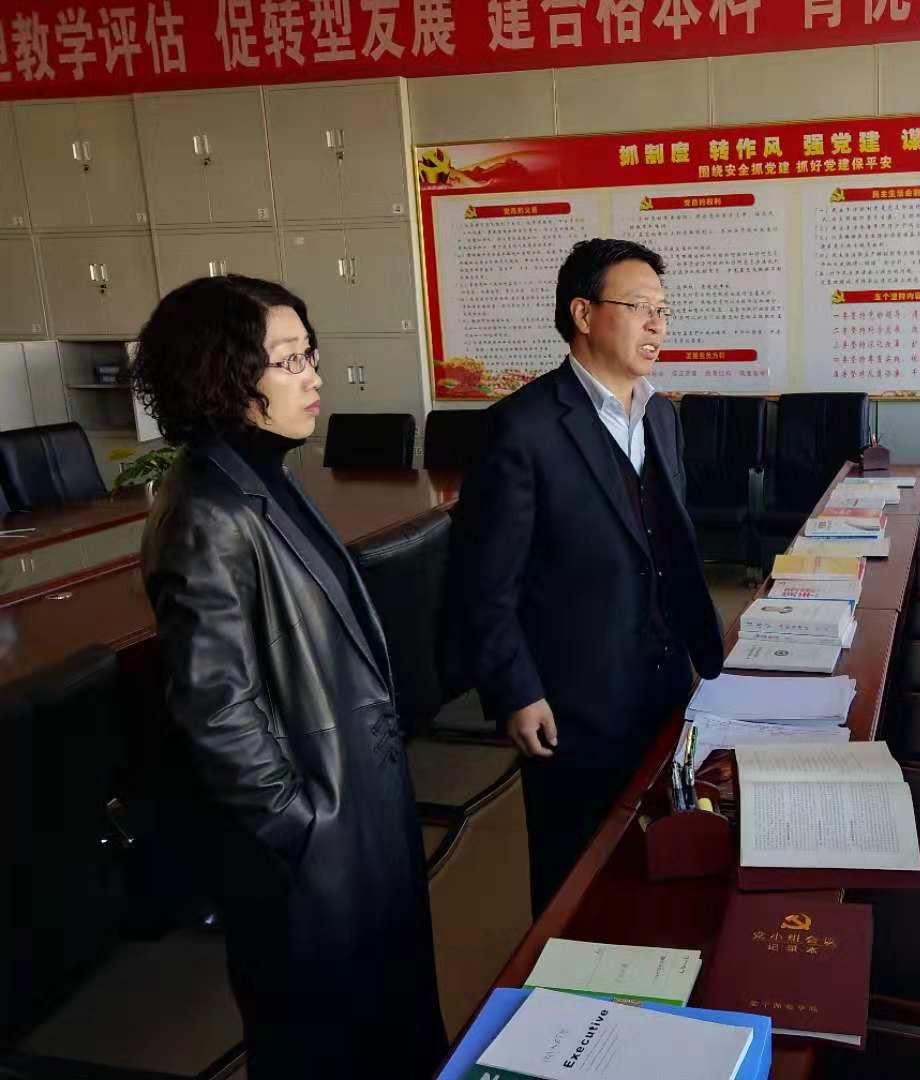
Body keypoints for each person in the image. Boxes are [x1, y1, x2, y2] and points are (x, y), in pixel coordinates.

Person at [134, 276, 445, 1080]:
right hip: (313, 841)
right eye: (289, 360)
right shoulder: (207, 512)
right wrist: (302, 828)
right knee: (324, 1046)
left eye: (310, 354)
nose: (314, 377)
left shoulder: (264, 476)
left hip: (351, 812)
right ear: (222, 375)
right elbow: (216, 711)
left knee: (387, 1027)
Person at [442, 238, 724, 915]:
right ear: (584, 313)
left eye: (663, 309)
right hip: (572, 695)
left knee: (655, 840)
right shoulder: (521, 428)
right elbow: (485, 583)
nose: (657, 324)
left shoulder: (661, 414)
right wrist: (516, 690)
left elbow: (666, 540)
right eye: (640, 306)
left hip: (663, 674)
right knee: (573, 867)